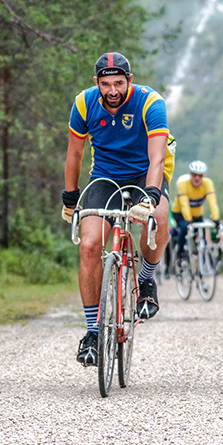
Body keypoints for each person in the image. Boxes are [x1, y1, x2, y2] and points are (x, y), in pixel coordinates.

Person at [61, 52, 174, 366]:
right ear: (96, 82)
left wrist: (151, 196)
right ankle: (93, 331)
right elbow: (74, 155)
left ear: (130, 81)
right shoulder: (84, 103)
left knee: (160, 217)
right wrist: (70, 198)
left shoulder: (151, 102)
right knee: (89, 244)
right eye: (105, 83)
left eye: (119, 83)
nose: (112, 90)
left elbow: (158, 158)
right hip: (105, 176)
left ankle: (147, 278)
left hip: (144, 173)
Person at [170, 160, 221, 263]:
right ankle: (180, 255)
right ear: (190, 174)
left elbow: (212, 202)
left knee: (200, 236)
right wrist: (188, 220)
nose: (197, 178)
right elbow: (184, 204)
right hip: (180, 213)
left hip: (197, 214)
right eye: (194, 175)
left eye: (200, 175)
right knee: (184, 228)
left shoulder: (207, 184)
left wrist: (216, 219)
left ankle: (202, 261)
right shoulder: (182, 184)